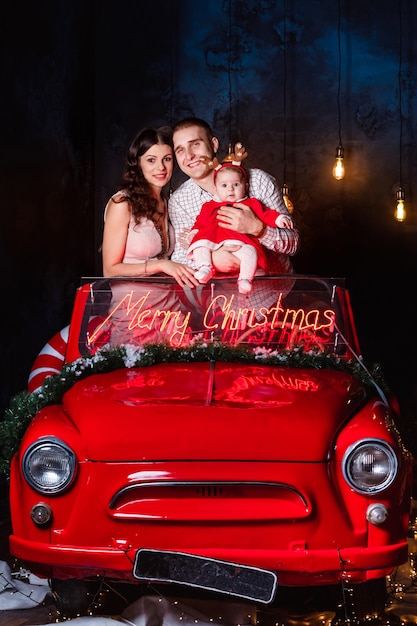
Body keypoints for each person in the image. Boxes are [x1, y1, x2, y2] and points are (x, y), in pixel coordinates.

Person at [168, 118, 300, 290]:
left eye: (195, 145)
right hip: (223, 303)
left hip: (274, 295)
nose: (189, 156)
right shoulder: (179, 201)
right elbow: (181, 259)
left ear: (214, 144)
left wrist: (259, 229)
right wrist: (213, 259)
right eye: (180, 150)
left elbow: (293, 244)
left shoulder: (258, 181)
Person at [101, 126, 198, 345]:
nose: (161, 167)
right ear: (138, 163)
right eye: (151, 160)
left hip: (171, 312)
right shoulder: (122, 203)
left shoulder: (167, 201)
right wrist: (160, 266)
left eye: (167, 159)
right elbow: (110, 269)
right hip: (133, 314)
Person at [187, 150, 294, 295]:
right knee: (200, 247)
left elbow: (267, 214)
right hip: (215, 243)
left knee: (251, 253)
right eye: (224, 186)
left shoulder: (252, 203)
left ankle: (245, 279)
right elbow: (200, 222)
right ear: (216, 189)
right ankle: (205, 267)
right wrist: (194, 232)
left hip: (242, 243)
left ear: (246, 187)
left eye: (236, 184)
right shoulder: (209, 206)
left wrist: (279, 219)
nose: (230, 189)